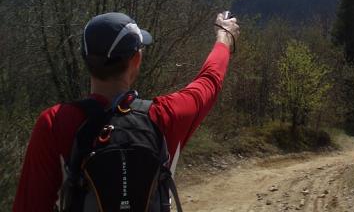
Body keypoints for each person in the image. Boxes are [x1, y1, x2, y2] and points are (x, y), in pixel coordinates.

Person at [12, 11, 239, 211]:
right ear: (136, 59)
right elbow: (210, 80)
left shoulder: (53, 123)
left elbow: (29, 206)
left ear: (86, 60)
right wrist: (224, 36)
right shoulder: (164, 116)